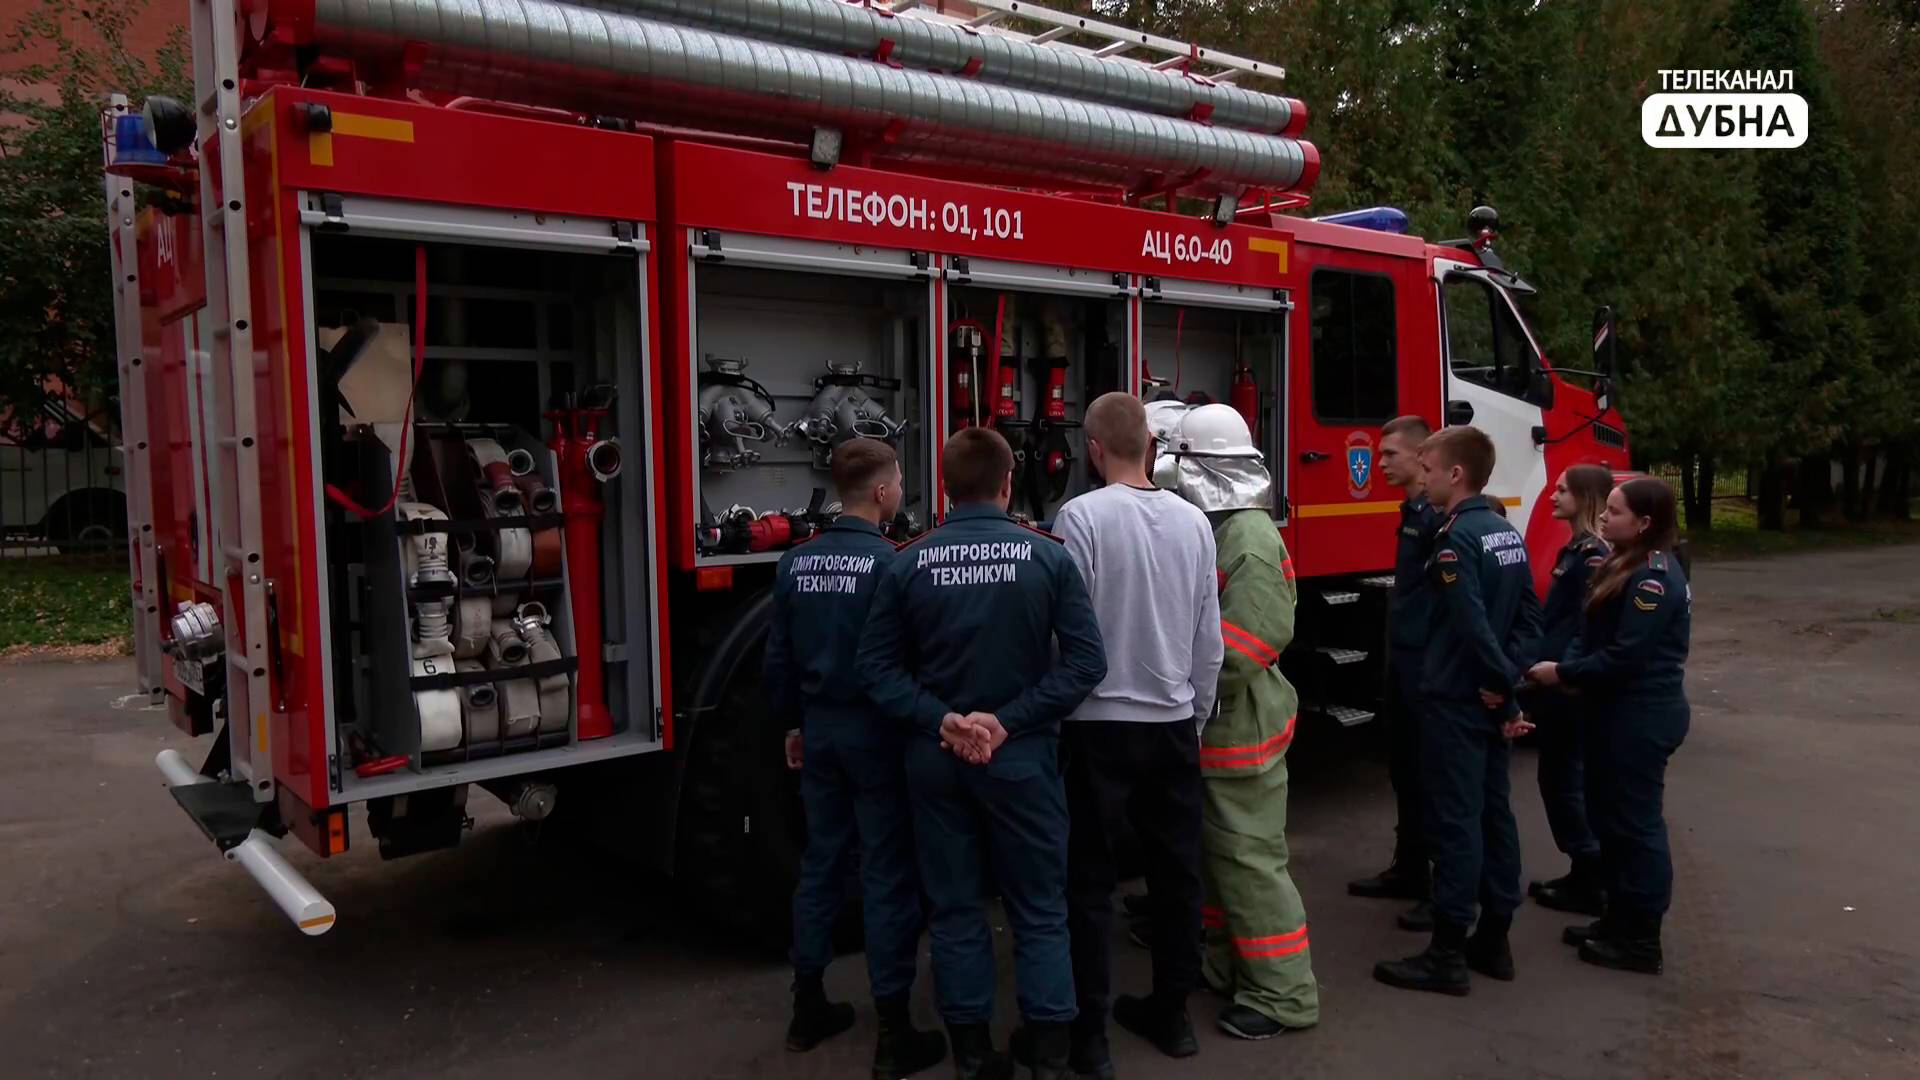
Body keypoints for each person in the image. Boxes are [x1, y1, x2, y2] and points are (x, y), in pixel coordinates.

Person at [857, 427, 1107, 1080]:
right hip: (1021, 761)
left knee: (956, 909)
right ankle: (1050, 1058)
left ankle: (972, 1057)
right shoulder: (1048, 558)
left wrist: (942, 721)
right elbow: (1086, 663)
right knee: (1040, 910)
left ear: (943, 487)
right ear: (1007, 485)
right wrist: (1006, 723)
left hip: (937, 764)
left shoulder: (907, 562)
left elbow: (876, 670)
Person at [1041, 393, 1220, 1075]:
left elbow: (1069, 634)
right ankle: (1172, 1015)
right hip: (1172, 723)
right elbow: (1207, 638)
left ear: (1092, 448)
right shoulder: (1194, 523)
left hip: (1096, 727)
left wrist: (1056, 716)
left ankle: (1090, 1036)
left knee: (1088, 883)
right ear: (1151, 444)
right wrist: (1194, 717)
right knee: (1177, 875)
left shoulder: (1080, 518)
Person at [765, 438, 947, 1078]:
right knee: (887, 873)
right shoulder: (895, 563)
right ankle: (894, 1030)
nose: (900, 489)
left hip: (819, 732)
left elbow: (778, 660)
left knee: (820, 864)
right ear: (881, 491)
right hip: (878, 733)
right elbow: (911, 657)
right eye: (898, 480)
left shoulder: (796, 563)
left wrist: (793, 724)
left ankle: (806, 1007)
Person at [1159, 403, 1319, 1039]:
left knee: (1250, 861)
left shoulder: (1247, 540)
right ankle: (1230, 967)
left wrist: (1173, 681)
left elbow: (1247, 645)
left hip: (1239, 727)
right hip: (1221, 725)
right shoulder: (1224, 528)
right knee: (1221, 857)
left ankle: (1284, 995)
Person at [1374, 425, 1541, 996]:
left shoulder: (1453, 540)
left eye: (1428, 463)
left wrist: (1504, 689)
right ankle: (1494, 939)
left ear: (1455, 474)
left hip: (1455, 701)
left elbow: (1470, 626)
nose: (1421, 471)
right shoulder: (1506, 533)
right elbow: (1529, 620)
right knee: (1496, 817)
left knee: (1457, 823)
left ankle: (1447, 952)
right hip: (1486, 700)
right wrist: (1508, 681)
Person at [1527, 476, 1692, 976]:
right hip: (1611, 711)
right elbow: (1587, 631)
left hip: (1640, 715)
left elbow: (1624, 656)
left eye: (1615, 511)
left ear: (1643, 524)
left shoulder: (1653, 580)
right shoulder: (1622, 565)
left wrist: (1564, 673)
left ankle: (1641, 938)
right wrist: (1571, 666)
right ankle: (1616, 918)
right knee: (1608, 819)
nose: (1605, 516)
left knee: (1635, 827)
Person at [1349, 414, 1442, 934]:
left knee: (1428, 777)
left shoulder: (1433, 517)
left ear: (1421, 455)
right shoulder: (1412, 510)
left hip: (1424, 665)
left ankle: (1436, 886)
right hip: (1404, 660)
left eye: (1390, 455)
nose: (1379, 462)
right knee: (1403, 770)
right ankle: (1408, 868)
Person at [1518, 464, 1615, 916]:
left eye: (1562, 491)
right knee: (1557, 780)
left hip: (1566, 686)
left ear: (1585, 497)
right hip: (1555, 679)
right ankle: (1582, 870)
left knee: (1565, 782)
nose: (1553, 496)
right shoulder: (1575, 548)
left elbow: (1585, 624)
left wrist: (1565, 672)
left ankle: (1591, 875)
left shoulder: (1593, 555)